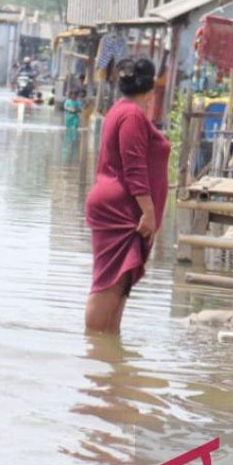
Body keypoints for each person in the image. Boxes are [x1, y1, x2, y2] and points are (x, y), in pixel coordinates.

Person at [83, 57, 171, 335]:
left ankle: (108, 355)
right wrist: (148, 211)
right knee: (109, 281)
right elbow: (134, 167)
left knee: (118, 284)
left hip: (119, 204)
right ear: (152, 87)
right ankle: (95, 350)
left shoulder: (121, 111)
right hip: (121, 209)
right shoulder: (131, 115)